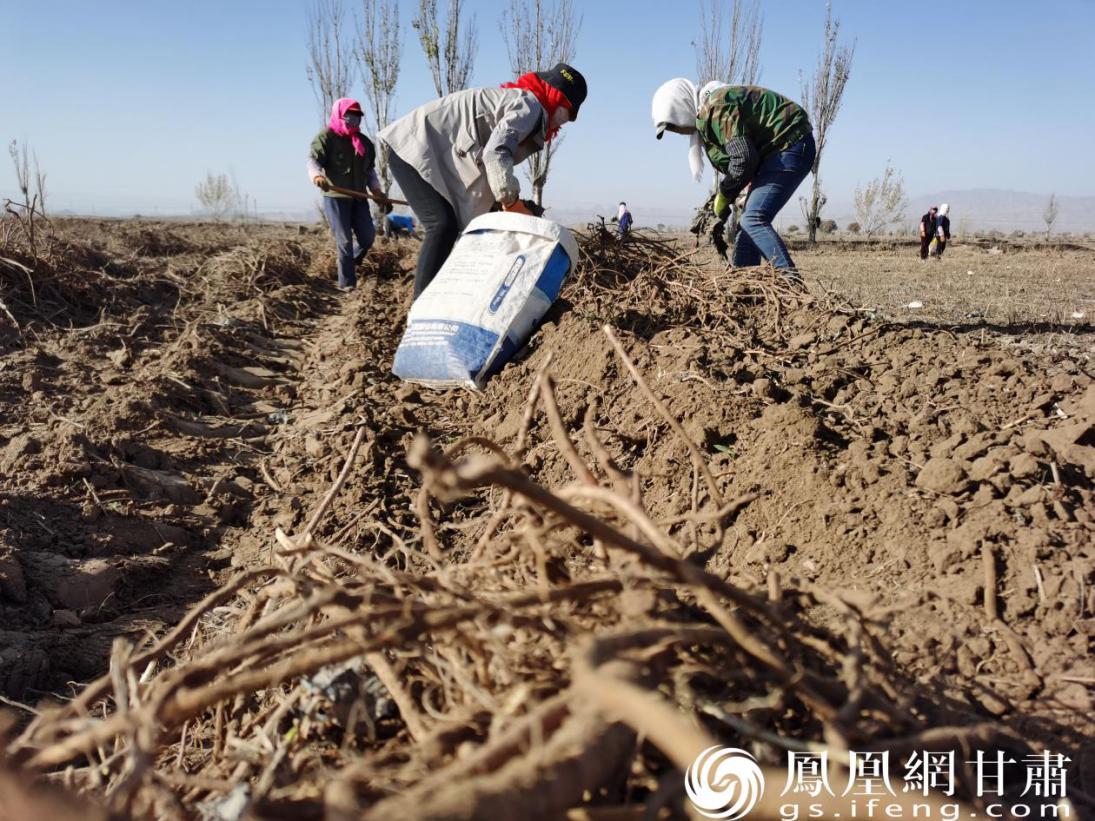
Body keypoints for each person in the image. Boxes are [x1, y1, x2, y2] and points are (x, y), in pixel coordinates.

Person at [379, 63, 588, 299]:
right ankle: (420, 309)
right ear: (559, 100)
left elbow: (484, 163)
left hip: (424, 151)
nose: (564, 122)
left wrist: (501, 206)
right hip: (411, 147)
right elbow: (495, 154)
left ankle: (447, 295)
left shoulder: (521, 103)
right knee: (441, 226)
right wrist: (510, 202)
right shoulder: (529, 107)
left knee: (454, 225)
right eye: (568, 114)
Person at [652, 79, 815, 282]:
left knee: (753, 219)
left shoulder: (715, 108)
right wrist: (740, 189)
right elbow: (746, 158)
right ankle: (745, 292)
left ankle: (794, 287)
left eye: (673, 125)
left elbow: (744, 158)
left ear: (681, 106)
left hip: (789, 144)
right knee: (746, 230)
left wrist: (724, 193)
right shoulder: (709, 113)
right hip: (777, 153)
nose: (678, 132)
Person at [308, 98, 388, 290]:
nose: (354, 120)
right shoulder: (326, 138)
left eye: (357, 116)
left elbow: (369, 172)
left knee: (367, 237)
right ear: (339, 115)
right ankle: (347, 285)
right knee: (344, 241)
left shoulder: (364, 143)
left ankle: (349, 262)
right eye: (349, 115)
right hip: (336, 199)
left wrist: (376, 192)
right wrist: (317, 177)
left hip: (359, 199)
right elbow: (313, 162)